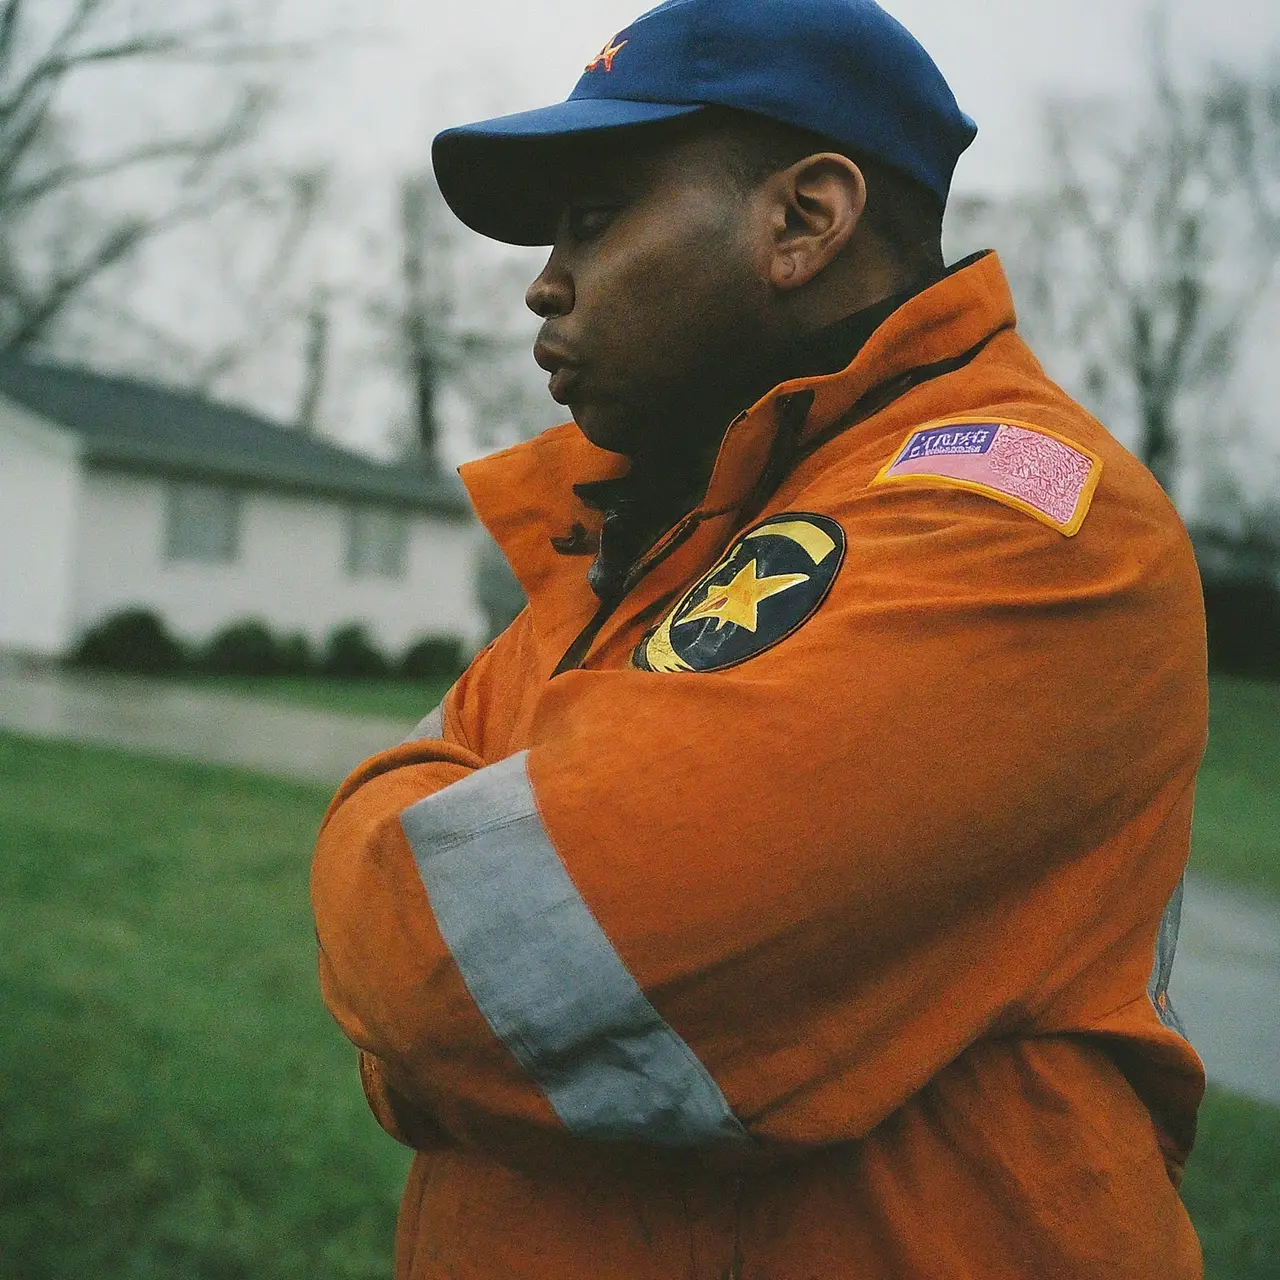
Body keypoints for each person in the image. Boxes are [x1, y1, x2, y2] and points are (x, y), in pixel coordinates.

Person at [311, 0, 1209, 1275]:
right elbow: (456, 988)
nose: (542, 281)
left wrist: (418, 979)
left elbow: (457, 985)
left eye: (594, 216)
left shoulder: (1026, 518)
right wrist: (437, 1013)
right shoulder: (659, 520)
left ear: (802, 219)